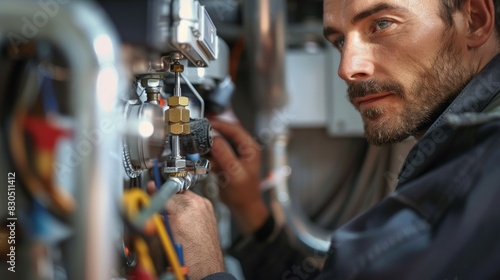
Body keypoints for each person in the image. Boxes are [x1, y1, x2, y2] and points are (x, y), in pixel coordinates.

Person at [166, 0, 500, 279]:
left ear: (474, 21)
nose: (346, 67)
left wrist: (205, 269)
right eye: (339, 40)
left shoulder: (478, 173)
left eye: (382, 24)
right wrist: (255, 217)